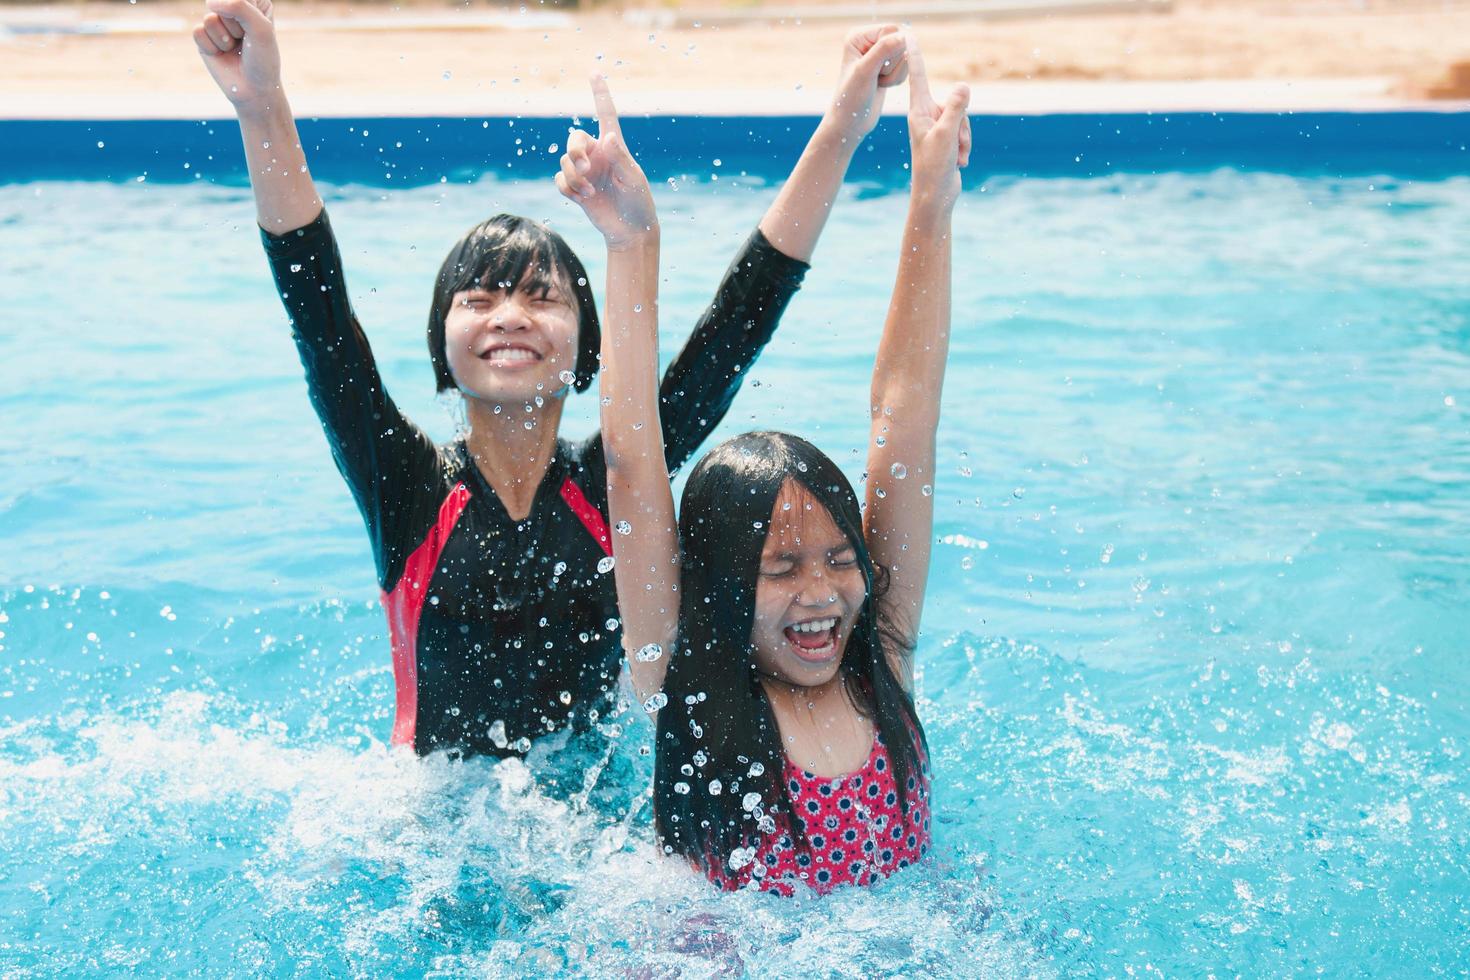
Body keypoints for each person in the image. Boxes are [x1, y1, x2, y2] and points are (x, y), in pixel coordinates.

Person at [192, 0, 913, 757]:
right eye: (479, 299)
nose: (509, 316)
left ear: (587, 348)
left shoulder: (614, 480)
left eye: (542, 298)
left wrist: (841, 130)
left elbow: (738, 325)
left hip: (590, 827)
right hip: (426, 821)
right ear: (442, 344)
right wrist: (260, 103)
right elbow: (318, 313)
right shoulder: (405, 486)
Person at [559, 39, 970, 892]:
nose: (821, 594)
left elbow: (905, 420)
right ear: (715, 584)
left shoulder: (880, 658)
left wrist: (931, 205)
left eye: (838, 559)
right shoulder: (684, 682)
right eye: (781, 569)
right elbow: (634, 467)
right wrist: (633, 245)